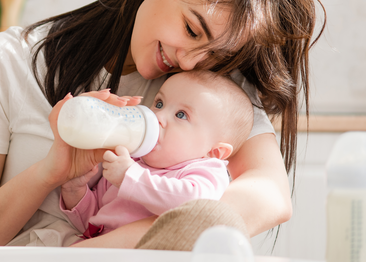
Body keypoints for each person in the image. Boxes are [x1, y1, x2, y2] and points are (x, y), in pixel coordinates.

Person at [0, 0, 325, 248]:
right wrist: (49, 173)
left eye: (215, 54)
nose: (190, 62)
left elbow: (269, 196)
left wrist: (115, 248)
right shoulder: (9, 62)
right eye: (192, 29)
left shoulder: (209, 89)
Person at [60, 70, 254, 241]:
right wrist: (75, 192)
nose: (157, 117)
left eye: (181, 115)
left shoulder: (204, 170)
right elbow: (94, 221)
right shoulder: (130, 161)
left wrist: (130, 177)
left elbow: (194, 205)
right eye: (159, 104)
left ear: (213, 152)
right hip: (96, 250)